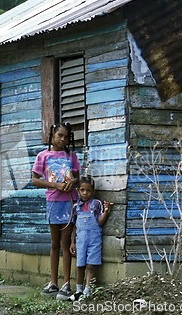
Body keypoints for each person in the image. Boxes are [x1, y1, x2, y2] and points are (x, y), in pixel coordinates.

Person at [32, 122, 81, 300]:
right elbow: (35, 180)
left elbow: (77, 177)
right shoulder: (43, 156)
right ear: (52, 135)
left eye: (66, 136)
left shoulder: (72, 156)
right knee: (54, 243)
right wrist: (55, 184)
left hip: (69, 202)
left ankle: (67, 284)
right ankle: (53, 282)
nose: (63, 139)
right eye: (60, 135)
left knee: (65, 243)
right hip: (53, 202)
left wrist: (72, 182)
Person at [68, 175, 112, 301]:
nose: (85, 193)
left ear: (93, 191)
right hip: (80, 240)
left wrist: (107, 211)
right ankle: (78, 291)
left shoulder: (96, 204)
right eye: (82, 190)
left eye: (88, 190)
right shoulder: (76, 206)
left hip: (94, 240)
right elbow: (75, 226)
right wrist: (72, 242)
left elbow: (100, 222)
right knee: (80, 265)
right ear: (78, 191)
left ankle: (88, 290)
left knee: (91, 265)